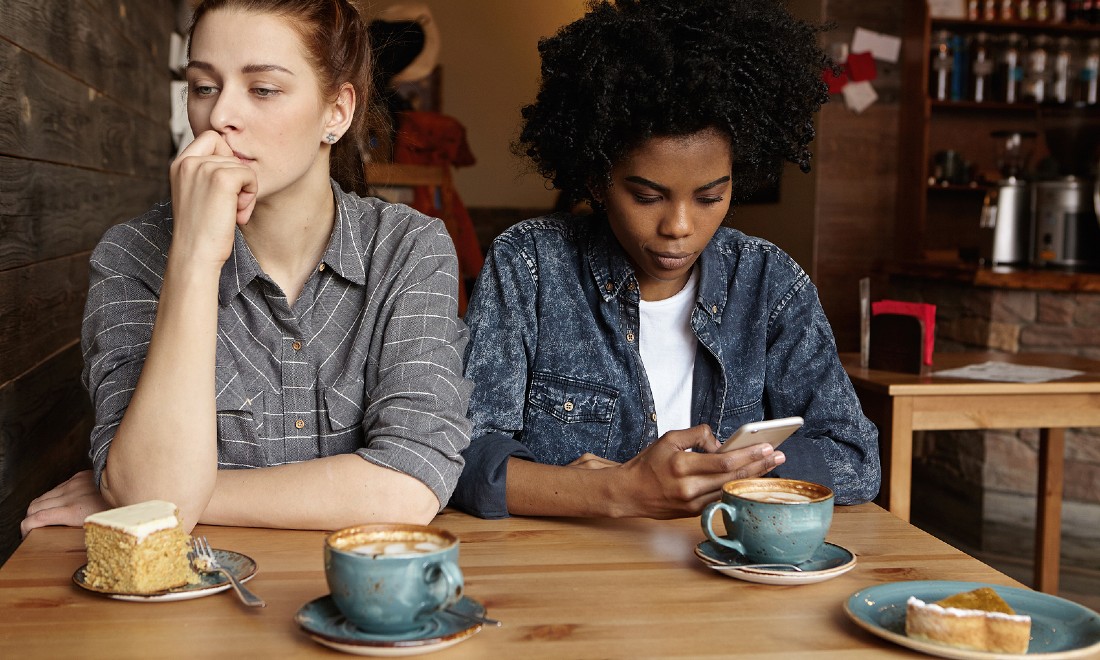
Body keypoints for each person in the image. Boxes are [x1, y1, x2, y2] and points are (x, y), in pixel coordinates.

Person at [21, 0, 471, 536]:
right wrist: (193, 254)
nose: (217, 117)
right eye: (204, 86)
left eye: (262, 89)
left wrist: (171, 497)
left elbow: (411, 484)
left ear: (337, 112)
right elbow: (149, 494)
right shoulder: (131, 255)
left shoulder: (409, 247)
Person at [452, 0, 880, 520]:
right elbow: (463, 456)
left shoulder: (769, 283)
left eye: (709, 197)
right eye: (647, 196)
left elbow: (855, 456)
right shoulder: (530, 266)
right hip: (574, 576)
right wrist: (615, 492)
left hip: (722, 574)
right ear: (597, 180)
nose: (679, 226)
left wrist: (728, 474)